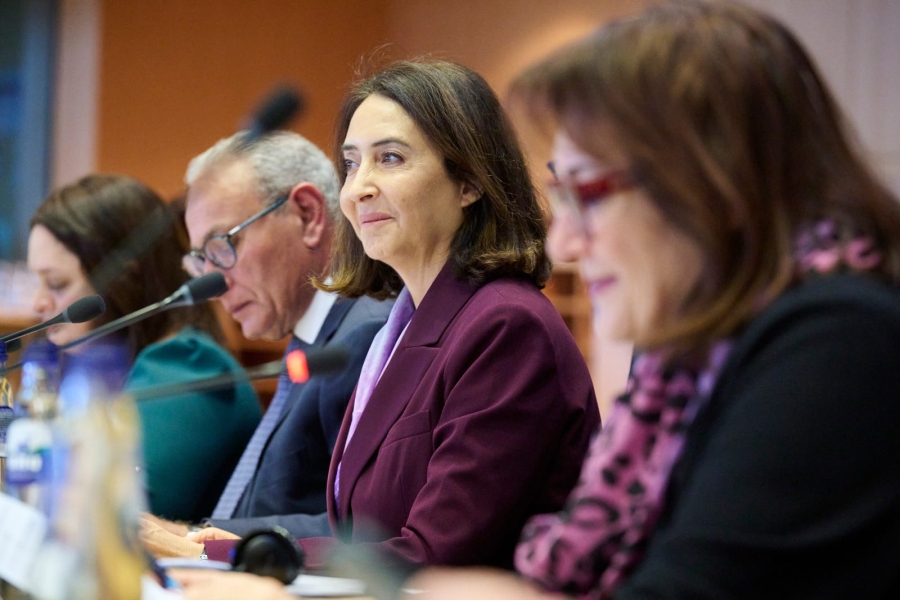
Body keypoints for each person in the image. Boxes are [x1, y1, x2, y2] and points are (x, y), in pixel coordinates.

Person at [141, 130, 393, 553]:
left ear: (308, 215)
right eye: (201, 259)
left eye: (223, 244)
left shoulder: (363, 339)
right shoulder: (314, 338)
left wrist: (199, 544)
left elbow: (364, 527)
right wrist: (183, 537)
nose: (214, 284)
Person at [27, 173, 262, 523]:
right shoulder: (97, 366)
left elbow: (100, 520)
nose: (38, 302)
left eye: (57, 283)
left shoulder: (190, 365)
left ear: (124, 279)